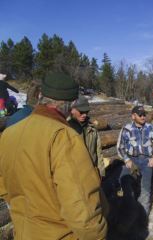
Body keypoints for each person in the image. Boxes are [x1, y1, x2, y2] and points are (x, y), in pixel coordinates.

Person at [0, 72, 107, 240]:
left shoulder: (9, 134)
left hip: (23, 232)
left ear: (41, 96)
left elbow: (3, 186)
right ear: (70, 105)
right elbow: (81, 206)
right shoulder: (63, 136)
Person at [117, 105, 153, 215]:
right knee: (124, 184)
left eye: (144, 115)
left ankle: (142, 218)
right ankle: (127, 213)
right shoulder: (127, 129)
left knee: (145, 189)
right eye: (140, 115)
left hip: (146, 161)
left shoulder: (150, 128)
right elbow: (120, 146)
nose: (143, 117)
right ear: (133, 116)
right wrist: (126, 159)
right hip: (131, 160)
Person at [68, 95, 105, 178]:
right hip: (72, 175)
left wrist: (101, 172)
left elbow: (98, 151)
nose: (84, 115)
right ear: (72, 110)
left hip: (91, 173)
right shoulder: (65, 127)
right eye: (81, 111)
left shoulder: (92, 129)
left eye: (86, 112)